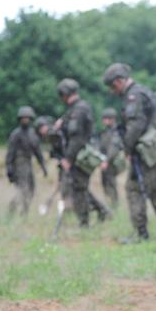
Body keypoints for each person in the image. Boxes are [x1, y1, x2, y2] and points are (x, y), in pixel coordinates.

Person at [102, 63, 156, 242]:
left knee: (134, 189)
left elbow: (135, 126)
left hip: (146, 152)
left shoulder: (133, 96)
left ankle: (141, 233)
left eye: (113, 86)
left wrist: (127, 148)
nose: (113, 91)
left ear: (120, 81)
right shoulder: (143, 91)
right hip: (155, 150)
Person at [54, 79, 110, 227]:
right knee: (80, 187)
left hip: (81, 156)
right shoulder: (75, 109)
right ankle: (101, 212)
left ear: (64, 94)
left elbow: (77, 138)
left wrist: (68, 159)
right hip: (79, 155)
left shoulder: (79, 110)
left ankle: (84, 222)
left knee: (79, 189)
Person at [6, 106, 47, 216]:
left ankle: (24, 211)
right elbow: (10, 153)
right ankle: (12, 209)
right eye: (23, 118)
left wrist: (43, 166)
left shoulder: (33, 134)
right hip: (18, 164)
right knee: (23, 189)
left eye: (27, 118)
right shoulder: (15, 134)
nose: (25, 120)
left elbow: (38, 152)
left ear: (31, 119)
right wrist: (9, 168)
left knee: (32, 189)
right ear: (19, 119)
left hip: (28, 164)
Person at [98, 108, 125, 208]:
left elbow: (113, 147)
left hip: (112, 162)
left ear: (112, 119)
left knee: (111, 184)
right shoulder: (106, 131)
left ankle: (114, 205)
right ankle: (110, 204)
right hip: (105, 161)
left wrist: (106, 160)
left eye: (107, 118)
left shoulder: (116, 131)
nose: (104, 121)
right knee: (105, 184)